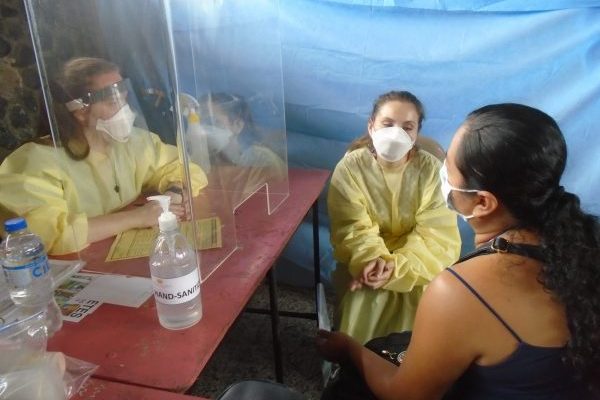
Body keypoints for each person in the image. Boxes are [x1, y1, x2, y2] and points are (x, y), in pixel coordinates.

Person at [317, 103, 600, 399]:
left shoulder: (461, 290)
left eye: (449, 167)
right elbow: (352, 226)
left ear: (482, 203)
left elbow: (404, 395)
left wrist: (348, 348)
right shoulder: (584, 247)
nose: (442, 173)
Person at [0, 57, 207, 255]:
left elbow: (179, 166)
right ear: (80, 111)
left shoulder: (133, 143)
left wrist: (173, 194)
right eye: (111, 103)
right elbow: (47, 234)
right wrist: (138, 217)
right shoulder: (36, 163)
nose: (124, 111)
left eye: (124, 100)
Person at [327, 90, 461, 344]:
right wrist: (372, 262)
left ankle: (409, 368)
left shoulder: (432, 171)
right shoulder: (350, 168)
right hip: (365, 258)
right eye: (387, 124)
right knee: (362, 300)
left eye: (407, 127)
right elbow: (352, 227)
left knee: (422, 299)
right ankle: (357, 365)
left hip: (420, 260)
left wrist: (397, 268)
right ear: (371, 126)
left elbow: (436, 234)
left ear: (416, 134)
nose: (395, 133)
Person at [196, 92, 287, 206]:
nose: (203, 131)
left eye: (214, 122)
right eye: (199, 123)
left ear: (238, 125)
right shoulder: (208, 161)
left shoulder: (262, 161)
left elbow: (251, 210)